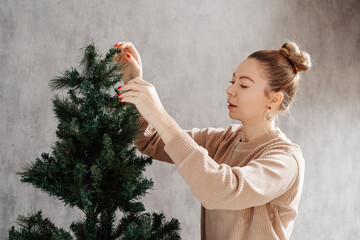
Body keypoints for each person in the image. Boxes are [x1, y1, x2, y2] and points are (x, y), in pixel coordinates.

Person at [113, 40, 311, 240]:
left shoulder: (286, 160)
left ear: (274, 99)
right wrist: (133, 82)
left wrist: (159, 113)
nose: (230, 90)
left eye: (243, 85)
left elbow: (219, 190)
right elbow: (152, 140)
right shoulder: (223, 140)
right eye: (232, 81)